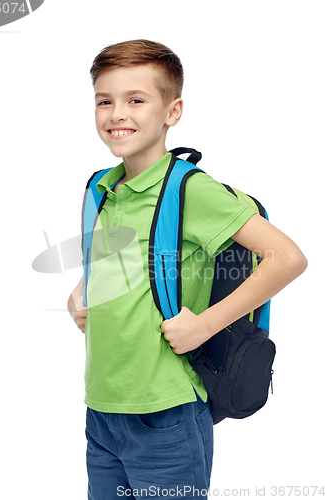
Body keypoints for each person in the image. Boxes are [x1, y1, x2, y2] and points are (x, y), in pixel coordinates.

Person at [67, 39, 307, 499]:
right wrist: (80, 293)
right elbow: (116, 260)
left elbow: (288, 257)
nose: (118, 113)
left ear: (172, 111)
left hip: (168, 414)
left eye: (136, 100)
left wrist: (205, 325)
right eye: (105, 100)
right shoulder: (102, 187)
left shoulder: (190, 190)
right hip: (101, 410)